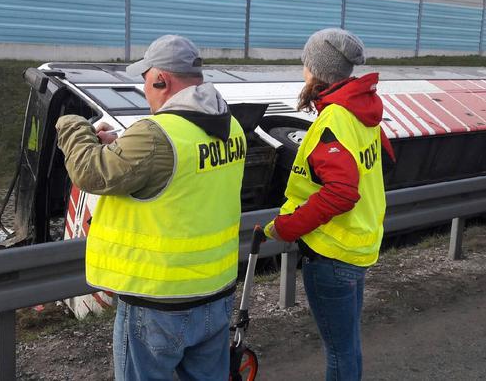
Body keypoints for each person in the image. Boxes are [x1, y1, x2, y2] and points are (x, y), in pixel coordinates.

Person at [55, 35, 247, 380]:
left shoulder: (157, 134)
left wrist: (72, 125)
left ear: (161, 79)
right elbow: (182, 179)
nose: (145, 90)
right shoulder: (231, 126)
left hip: (159, 304)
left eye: (145, 81)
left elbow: (91, 173)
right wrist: (122, 149)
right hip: (214, 295)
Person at [264, 28, 395, 381]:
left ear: (315, 68)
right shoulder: (360, 111)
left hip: (333, 253)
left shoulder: (334, 120)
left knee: (340, 352)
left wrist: (286, 227)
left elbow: (341, 192)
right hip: (358, 244)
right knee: (348, 346)